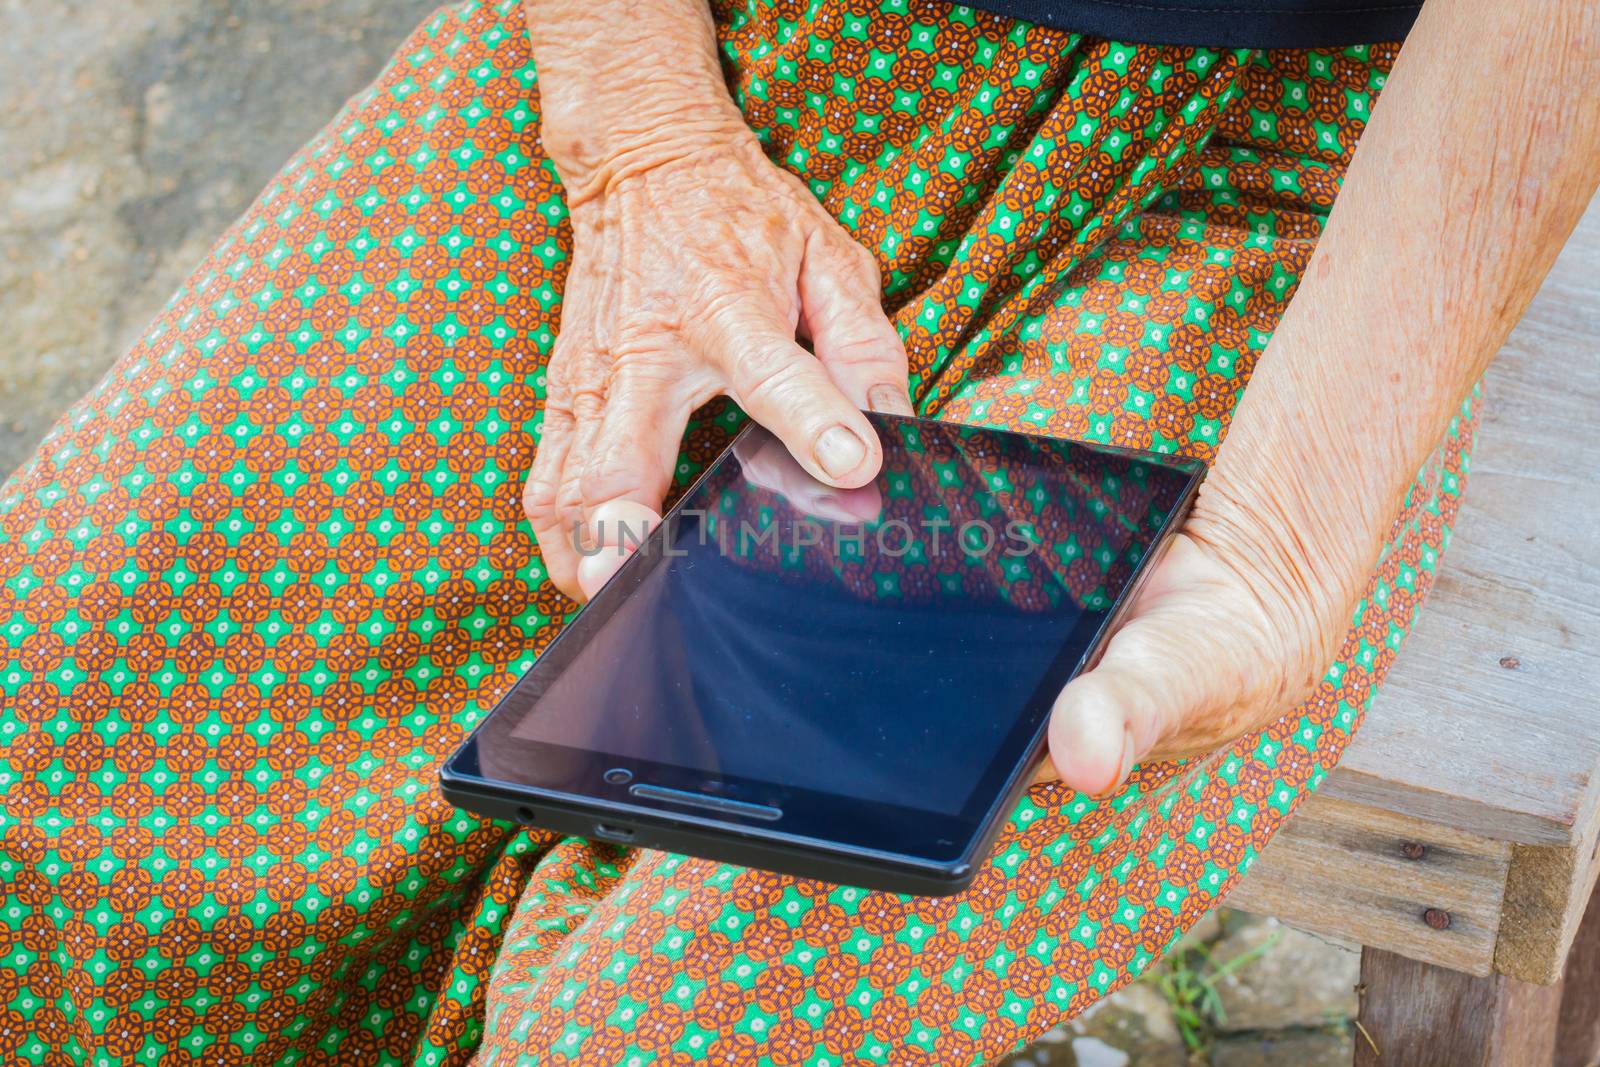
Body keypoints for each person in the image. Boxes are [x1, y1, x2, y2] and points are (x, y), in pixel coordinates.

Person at [1, 0, 1595, 1062]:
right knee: (59, 729)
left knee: (674, 1022)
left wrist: (1289, 537)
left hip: (1316, 157)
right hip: (715, 47)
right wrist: (641, 134)